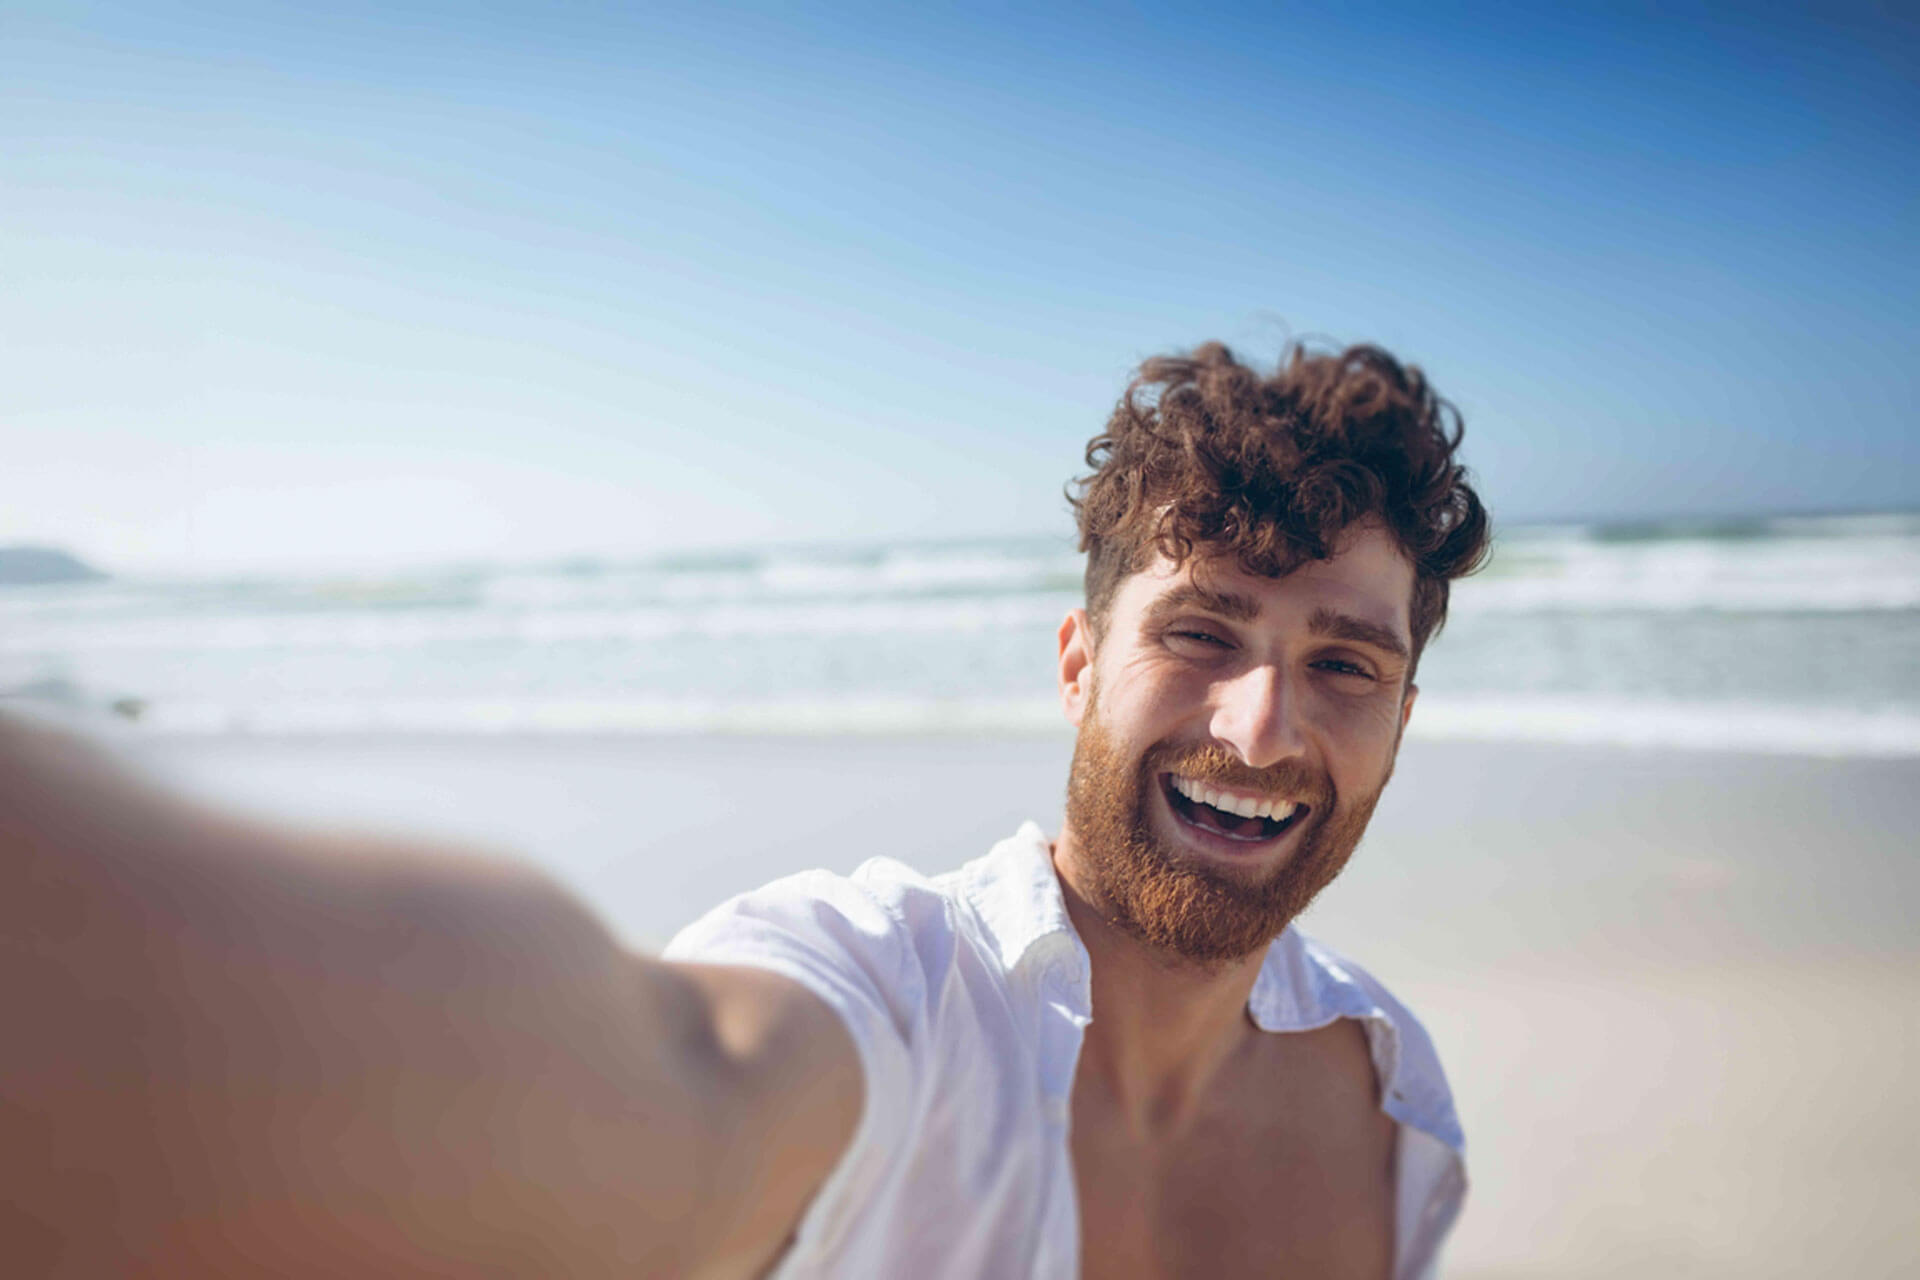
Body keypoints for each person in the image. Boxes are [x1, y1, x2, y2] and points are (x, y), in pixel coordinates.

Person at [0, 338, 1488, 1278]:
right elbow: (677, 1077)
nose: (1263, 725)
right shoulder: (892, 998)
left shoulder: (1393, 1106)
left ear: (1403, 717)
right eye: (1200, 633)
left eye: (1345, 661)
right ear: (1078, 661)